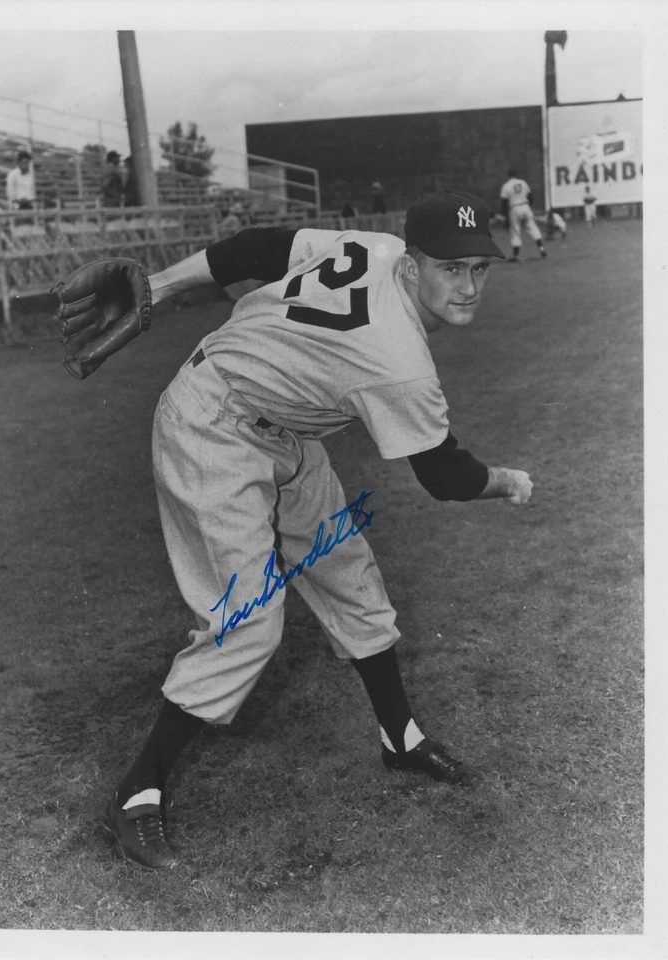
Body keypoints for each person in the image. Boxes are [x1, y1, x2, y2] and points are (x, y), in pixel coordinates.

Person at [87, 188, 533, 869]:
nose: (468, 286)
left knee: (349, 576)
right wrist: (505, 481)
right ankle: (136, 793)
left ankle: (400, 739)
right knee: (249, 621)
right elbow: (443, 476)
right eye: (450, 268)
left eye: (479, 268)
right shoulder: (399, 364)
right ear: (411, 268)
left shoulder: (373, 247)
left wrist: (161, 285)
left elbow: (256, 249)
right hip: (210, 425)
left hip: (280, 426)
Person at [499, 169, 546, 262]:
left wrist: (505, 216)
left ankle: (516, 255)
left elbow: (504, 202)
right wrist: (529, 208)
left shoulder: (506, 185)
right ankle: (541, 249)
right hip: (525, 206)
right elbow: (530, 197)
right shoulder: (523, 183)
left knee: (515, 231)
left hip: (514, 208)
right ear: (516, 175)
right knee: (533, 228)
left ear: (508, 175)